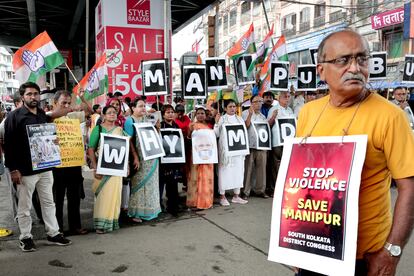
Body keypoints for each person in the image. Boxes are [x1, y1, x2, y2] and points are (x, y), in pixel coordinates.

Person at [296, 29, 414, 275]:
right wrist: (295, 242)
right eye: (343, 60)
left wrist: (392, 251)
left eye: (362, 59)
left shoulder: (391, 116)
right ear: (321, 70)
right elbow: (301, 179)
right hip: (314, 248)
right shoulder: (308, 112)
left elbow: (409, 187)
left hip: (364, 258)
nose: (355, 68)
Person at [4, 82, 72, 252]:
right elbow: (9, 144)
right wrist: (13, 169)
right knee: (24, 206)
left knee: (49, 202)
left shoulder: (42, 114)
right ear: (22, 97)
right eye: (29, 94)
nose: (33, 97)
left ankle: (53, 233)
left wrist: (53, 140)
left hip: (45, 167)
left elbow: (47, 135)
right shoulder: (14, 117)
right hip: (25, 170)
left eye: (36, 94)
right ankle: (25, 237)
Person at [87, 105, 138, 233]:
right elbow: (91, 149)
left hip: (117, 168)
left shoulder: (120, 130)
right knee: (103, 195)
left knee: (115, 194)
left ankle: (111, 222)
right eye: (109, 112)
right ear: (103, 115)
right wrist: (95, 167)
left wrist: (126, 165)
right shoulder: (98, 129)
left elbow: (126, 146)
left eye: (114, 112)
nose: (112, 114)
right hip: (103, 167)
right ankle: (100, 225)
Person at [51, 90, 93, 235]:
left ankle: (75, 226)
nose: (67, 105)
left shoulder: (73, 116)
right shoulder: (49, 117)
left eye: (69, 103)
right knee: (57, 198)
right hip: (57, 165)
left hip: (74, 162)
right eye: (64, 103)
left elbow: (90, 110)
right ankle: (58, 228)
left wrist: (82, 97)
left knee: (74, 196)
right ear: (54, 103)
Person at [124, 98, 161, 222]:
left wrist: (157, 127)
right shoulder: (130, 121)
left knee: (151, 184)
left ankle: (151, 209)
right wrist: (135, 157)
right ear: (133, 108)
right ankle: (136, 213)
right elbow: (128, 141)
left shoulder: (148, 119)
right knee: (139, 185)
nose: (143, 108)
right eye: (140, 106)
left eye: (144, 106)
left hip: (151, 158)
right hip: (139, 158)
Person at [214, 99, 248, 206]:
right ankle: (222, 196)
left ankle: (236, 196)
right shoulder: (222, 119)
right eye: (230, 107)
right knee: (224, 173)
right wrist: (216, 122)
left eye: (234, 106)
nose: (233, 108)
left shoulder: (239, 119)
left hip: (238, 151)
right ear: (225, 108)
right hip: (225, 152)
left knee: (238, 172)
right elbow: (216, 134)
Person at [267, 91, 294, 195]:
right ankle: (275, 189)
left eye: (288, 96)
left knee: (287, 165)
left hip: (288, 142)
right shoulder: (273, 109)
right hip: (277, 142)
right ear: (279, 98)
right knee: (276, 166)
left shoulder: (290, 110)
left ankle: (285, 187)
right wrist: (273, 116)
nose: (287, 99)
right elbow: (268, 124)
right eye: (285, 97)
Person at [241, 95, 269, 199]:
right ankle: (245, 191)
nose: (258, 103)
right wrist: (249, 115)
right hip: (249, 145)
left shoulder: (262, 116)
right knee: (248, 168)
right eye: (256, 101)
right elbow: (245, 127)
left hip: (261, 145)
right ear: (251, 103)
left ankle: (260, 190)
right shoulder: (245, 113)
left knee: (261, 168)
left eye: (260, 101)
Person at [187, 107, 214, 210]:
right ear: (195, 115)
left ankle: (206, 201)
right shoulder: (192, 125)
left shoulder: (209, 127)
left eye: (202, 113)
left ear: (205, 115)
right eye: (198, 113)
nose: (200, 115)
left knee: (206, 179)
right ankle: (194, 202)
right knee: (195, 178)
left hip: (208, 157)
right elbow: (188, 139)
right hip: (196, 156)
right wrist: (190, 130)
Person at [159, 104, 180, 216]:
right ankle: (160, 206)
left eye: (172, 112)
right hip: (163, 160)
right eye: (168, 112)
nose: (170, 114)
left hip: (175, 159)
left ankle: (173, 206)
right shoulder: (160, 126)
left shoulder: (176, 126)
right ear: (163, 114)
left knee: (173, 184)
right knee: (162, 184)